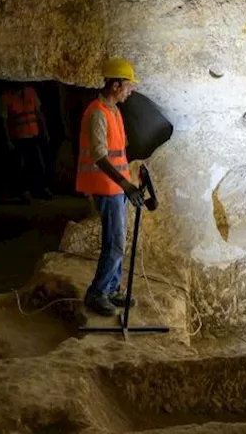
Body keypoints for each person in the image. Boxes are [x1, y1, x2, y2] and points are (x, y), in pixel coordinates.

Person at [76, 58, 145, 317]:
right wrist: (126, 185)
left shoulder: (113, 111)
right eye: (128, 85)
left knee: (118, 241)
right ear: (115, 85)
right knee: (114, 243)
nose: (131, 90)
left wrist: (131, 179)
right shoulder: (98, 113)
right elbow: (99, 156)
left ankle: (113, 288)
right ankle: (97, 292)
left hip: (117, 188)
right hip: (107, 188)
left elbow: (119, 153)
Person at [0, 84, 52, 201]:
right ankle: (23, 191)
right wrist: (7, 140)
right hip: (18, 138)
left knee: (38, 163)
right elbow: (4, 120)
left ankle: (40, 189)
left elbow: (39, 113)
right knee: (20, 166)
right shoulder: (6, 97)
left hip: (33, 135)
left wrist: (45, 131)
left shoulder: (31, 92)